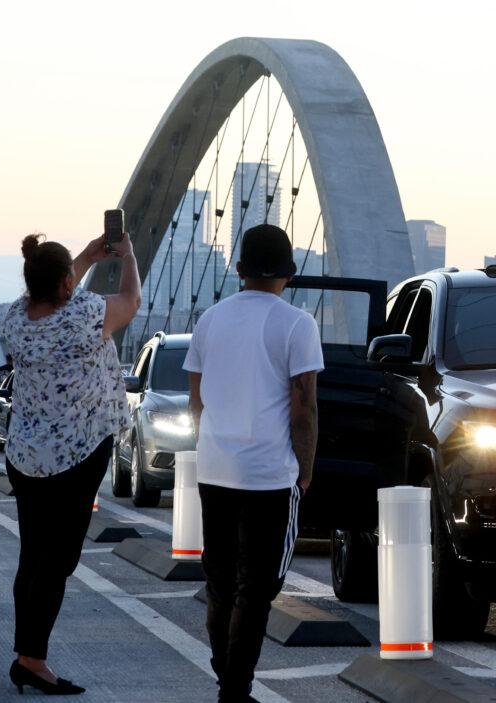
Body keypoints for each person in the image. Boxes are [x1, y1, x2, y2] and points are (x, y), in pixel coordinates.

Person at [184, 224, 323, 703]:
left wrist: (213, 445)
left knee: (221, 581)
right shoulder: (297, 324)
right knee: (258, 587)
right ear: (289, 272)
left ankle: (227, 676)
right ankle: (236, 688)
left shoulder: (209, 320)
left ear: (239, 270)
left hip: (214, 469)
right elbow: (304, 405)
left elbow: (196, 400)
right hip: (269, 474)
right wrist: (305, 468)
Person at [1, 231, 140, 695]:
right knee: (58, 560)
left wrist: (82, 257)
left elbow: (52, 290)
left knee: (33, 556)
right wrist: (127, 257)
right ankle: (32, 659)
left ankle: (27, 654)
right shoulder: (85, 315)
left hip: (24, 457)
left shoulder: (16, 319)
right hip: (77, 456)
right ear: (66, 282)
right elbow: (131, 300)